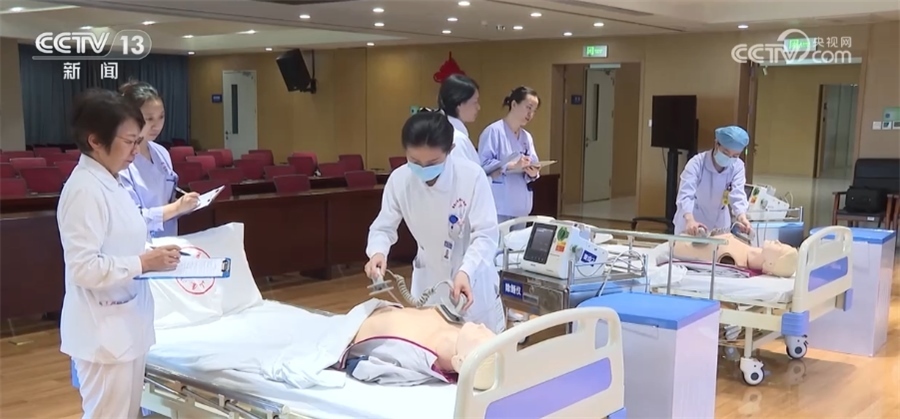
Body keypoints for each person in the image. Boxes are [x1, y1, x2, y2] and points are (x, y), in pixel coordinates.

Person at [58, 88, 182, 418]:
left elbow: (122, 236)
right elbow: (84, 268)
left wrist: (154, 258)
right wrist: (143, 262)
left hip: (125, 323)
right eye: (129, 142)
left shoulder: (109, 180)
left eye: (138, 141)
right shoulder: (84, 190)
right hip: (103, 331)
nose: (135, 151)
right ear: (96, 141)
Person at [365, 111, 506, 334]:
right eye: (414, 161)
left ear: (450, 150)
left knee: (478, 347)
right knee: (431, 347)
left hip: (472, 280)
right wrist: (378, 252)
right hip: (428, 280)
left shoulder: (471, 177)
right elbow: (383, 227)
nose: (423, 169)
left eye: (432, 162)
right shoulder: (400, 180)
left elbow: (486, 235)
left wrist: (466, 271)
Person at [119, 80, 199, 238]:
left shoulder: (161, 152)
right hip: (140, 244)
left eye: (161, 117)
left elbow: (168, 197)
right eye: (149, 119)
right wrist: (176, 208)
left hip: (169, 239)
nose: (157, 125)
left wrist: (185, 204)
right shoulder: (121, 161)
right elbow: (131, 218)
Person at [478, 86, 541, 226]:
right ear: (514, 104)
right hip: (499, 206)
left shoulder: (526, 137)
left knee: (519, 240)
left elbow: (534, 162)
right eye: (528, 108)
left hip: (521, 206)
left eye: (534, 111)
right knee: (500, 239)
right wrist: (511, 166)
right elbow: (483, 165)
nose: (530, 114)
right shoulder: (494, 131)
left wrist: (533, 172)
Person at [674, 125, 753, 237]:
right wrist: (689, 220)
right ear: (716, 144)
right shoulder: (697, 163)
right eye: (725, 153)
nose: (729, 158)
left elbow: (738, 195)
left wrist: (742, 217)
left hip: (720, 223)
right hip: (693, 220)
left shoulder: (737, 166)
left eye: (735, 155)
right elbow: (685, 195)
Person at [437, 74, 481, 164]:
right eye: (475, 102)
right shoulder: (457, 139)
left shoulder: (446, 131)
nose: (478, 107)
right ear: (459, 104)